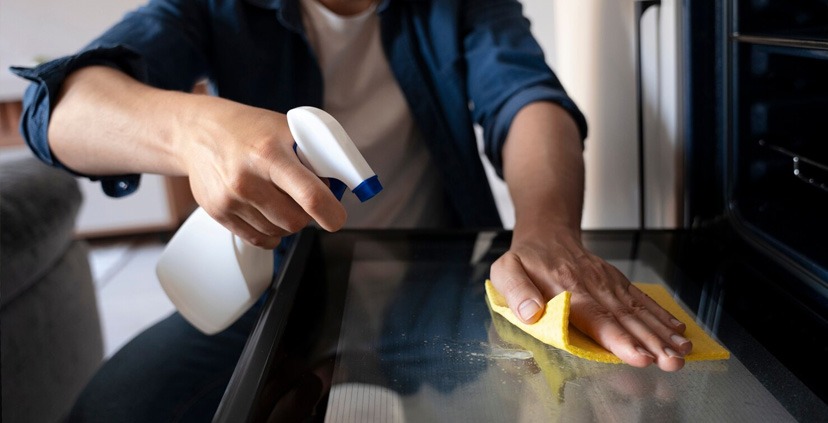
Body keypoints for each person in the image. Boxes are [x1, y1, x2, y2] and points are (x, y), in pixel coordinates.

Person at [13, 0, 693, 420]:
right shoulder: (213, 8)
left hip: (446, 290)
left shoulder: (465, 6)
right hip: (269, 293)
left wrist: (548, 235)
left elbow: (527, 98)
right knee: (117, 410)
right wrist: (196, 130)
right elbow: (59, 107)